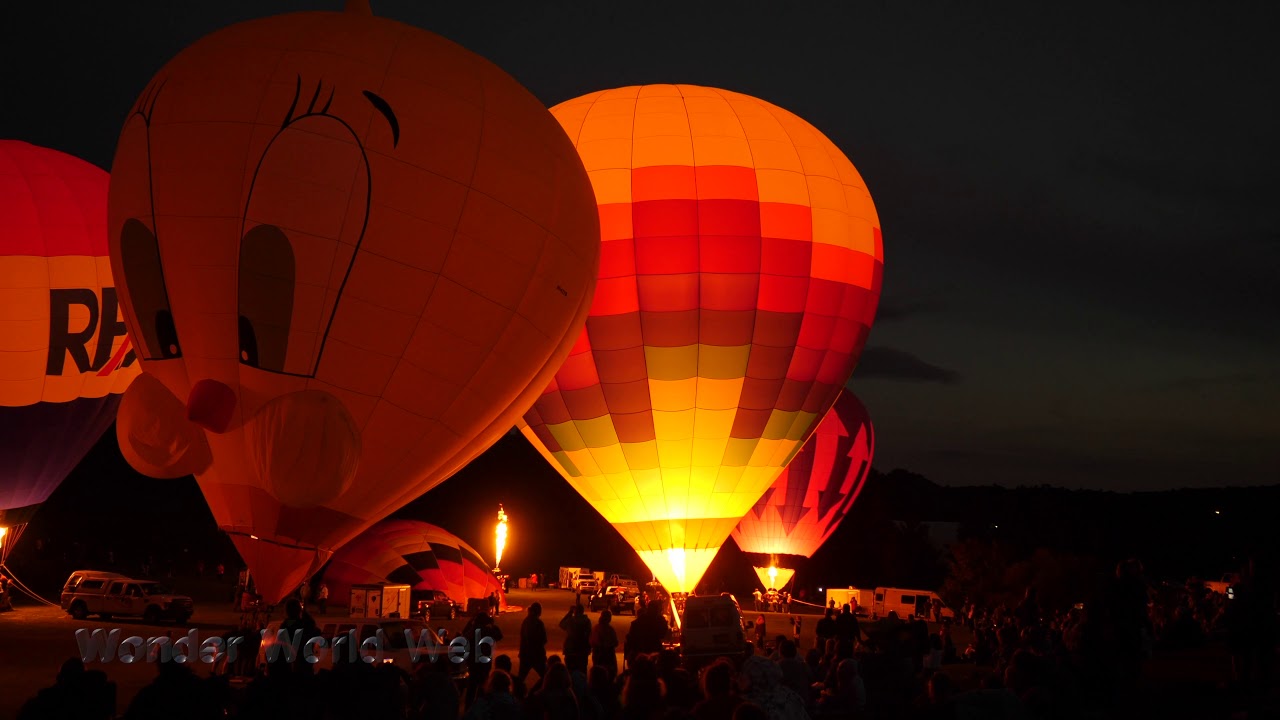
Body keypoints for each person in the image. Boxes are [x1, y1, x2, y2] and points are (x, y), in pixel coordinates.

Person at [519, 602, 549, 684]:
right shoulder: (538, 623)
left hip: (525, 654)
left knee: (521, 677)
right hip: (537, 655)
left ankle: (517, 693)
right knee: (547, 677)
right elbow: (544, 639)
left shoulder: (526, 621)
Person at [560, 604, 592, 673]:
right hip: (583, 648)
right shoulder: (587, 621)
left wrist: (569, 613)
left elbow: (561, 624)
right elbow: (589, 634)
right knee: (582, 670)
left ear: (575, 611)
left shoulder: (571, 620)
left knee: (570, 670)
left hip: (571, 648)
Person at [590, 610, 619, 678]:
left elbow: (591, 641)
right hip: (607, 656)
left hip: (597, 654)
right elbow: (615, 642)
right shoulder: (609, 629)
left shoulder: (596, 628)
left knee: (598, 674)